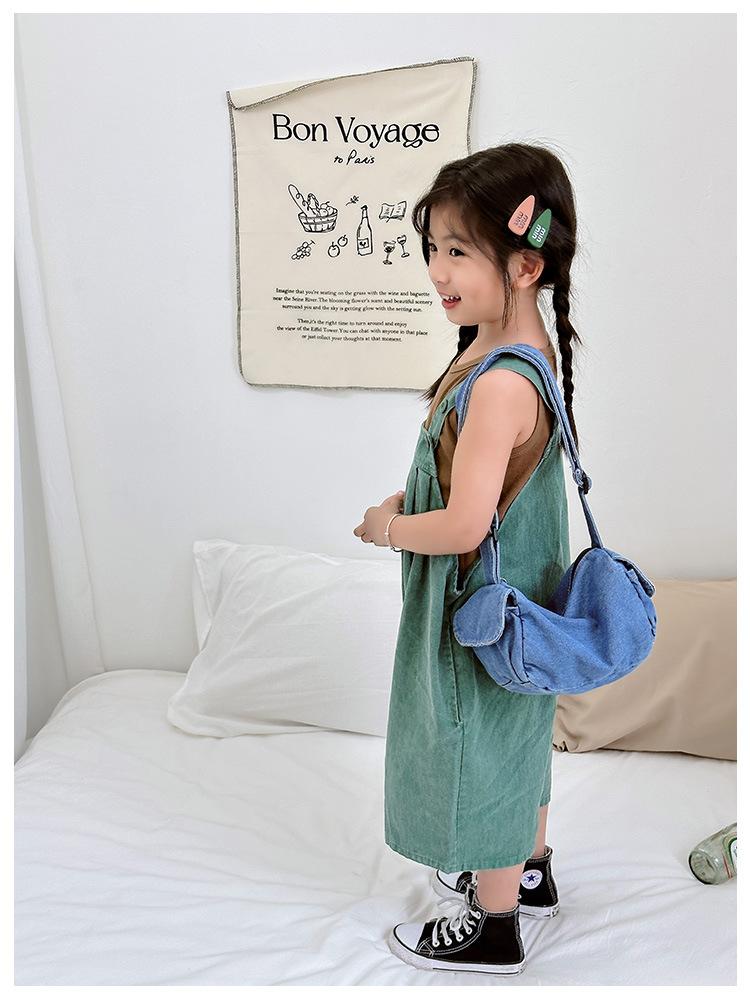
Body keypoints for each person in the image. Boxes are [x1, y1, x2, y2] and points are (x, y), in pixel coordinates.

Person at [353, 142, 583, 975]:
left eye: (457, 250)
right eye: (431, 248)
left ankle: (494, 924)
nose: (436, 271)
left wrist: (385, 528)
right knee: (515, 733)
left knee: (474, 742)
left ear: (525, 265)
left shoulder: (498, 382)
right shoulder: (516, 351)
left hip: (481, 608)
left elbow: (461, 527)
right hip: (523, 600)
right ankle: (530, 868)